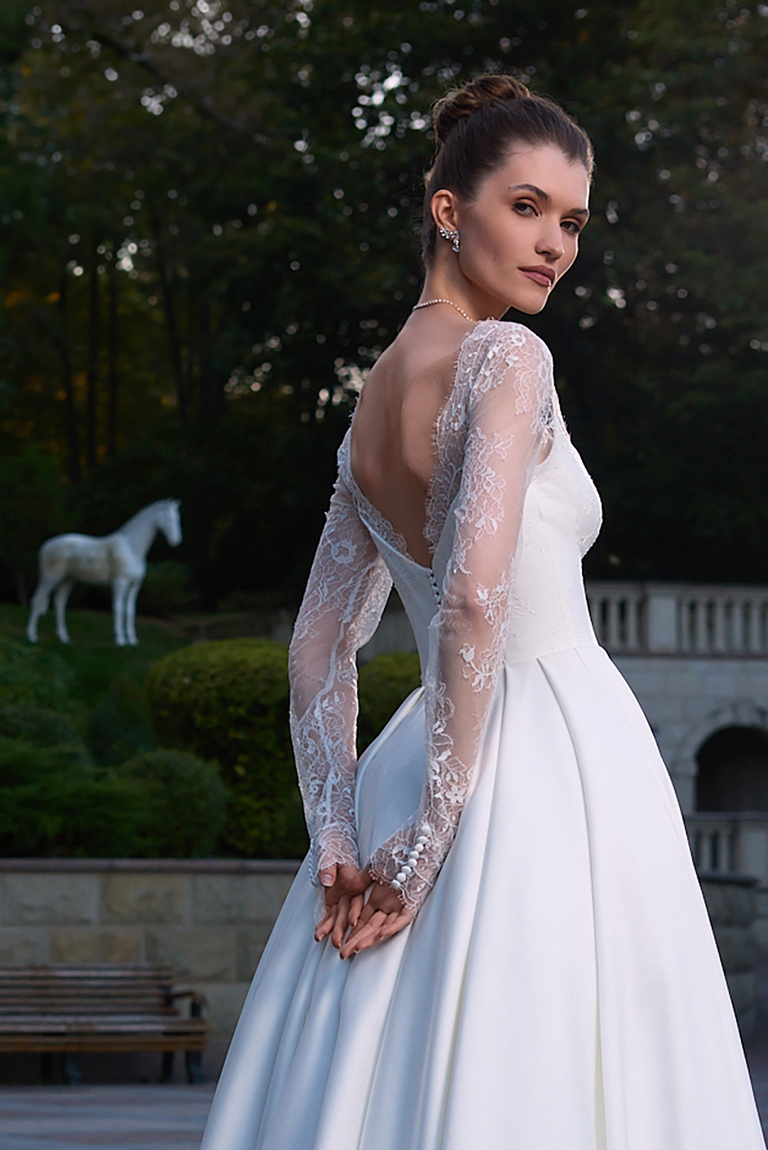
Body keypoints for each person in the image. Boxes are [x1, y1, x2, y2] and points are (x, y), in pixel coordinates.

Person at [201, 74, 765, 1150]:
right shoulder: (507, 355)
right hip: (549, 753)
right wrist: (440, 831)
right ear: (448, 210)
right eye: (526, 207)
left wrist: (339, 828)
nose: (555, 242)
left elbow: (321, 638)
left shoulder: (371, 396)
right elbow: (471, 595)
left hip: (414, 762)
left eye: (572, 221)